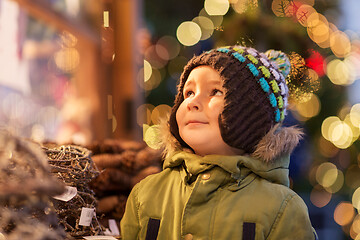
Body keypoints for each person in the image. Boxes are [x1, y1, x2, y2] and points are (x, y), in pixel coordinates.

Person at [120, 45, 317, 240]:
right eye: (188, 93)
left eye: (215, 91)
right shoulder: (145, 194)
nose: (192, 102)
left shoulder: (282, 208)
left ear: (251, 117)